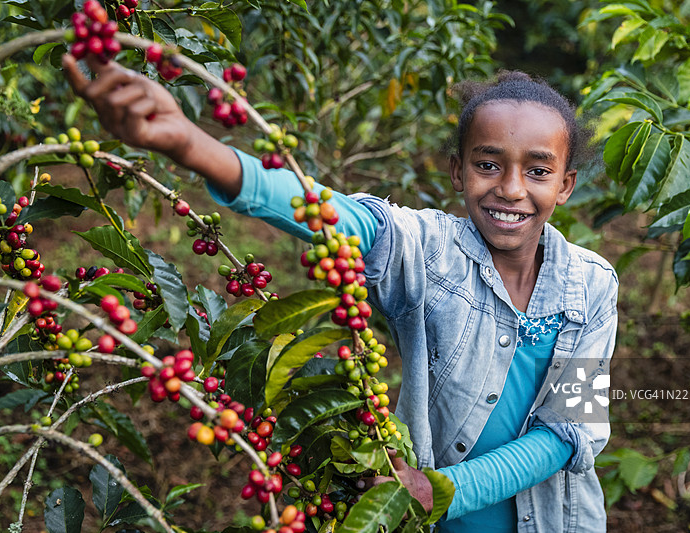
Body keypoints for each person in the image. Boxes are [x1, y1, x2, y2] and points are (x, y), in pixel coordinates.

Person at [63, 53, 618, 532]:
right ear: (457, 170)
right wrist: (193, 144)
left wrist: (441, 490)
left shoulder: (593, 286)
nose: (511, 189)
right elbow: (341, 216)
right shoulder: (429, 250)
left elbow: (570, 431)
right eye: (488, 164)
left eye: (538, 171)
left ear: (566, 184)